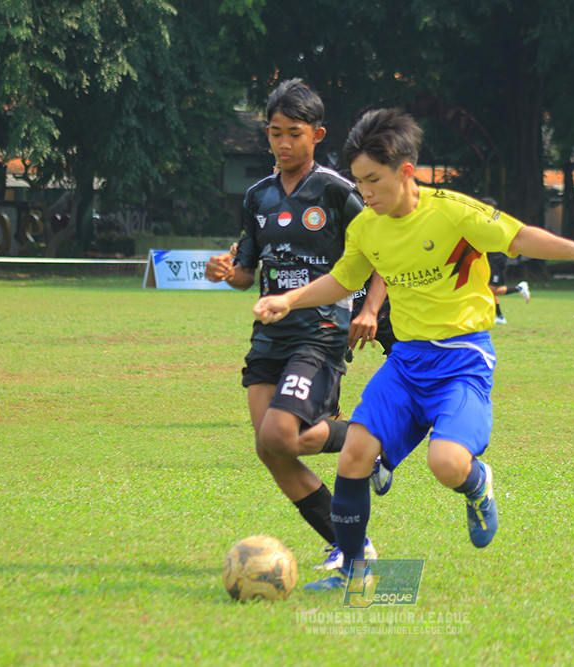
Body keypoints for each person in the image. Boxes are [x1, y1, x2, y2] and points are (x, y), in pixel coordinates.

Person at [253, 109, 574, 589]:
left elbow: (518, 236)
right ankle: (356, 571)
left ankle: (477, 483)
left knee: (446, 464)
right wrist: (288, 299)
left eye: (374, 181)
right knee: (354, 454)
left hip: (462, 360)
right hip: (406, 362)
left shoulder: (452, 211)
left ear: (405, 171)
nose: (365, 194)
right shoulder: (367, 227)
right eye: (359, 182)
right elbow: (343, 279)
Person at [203, 79, 379, 571]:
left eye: (294, 134)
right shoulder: (257, 197)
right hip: (269, 336)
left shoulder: (337, 190)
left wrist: (367, 310)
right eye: (275, 133)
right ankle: (351, 546)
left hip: (320, 332)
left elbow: (380, 253)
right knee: (272, 449)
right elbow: (245, 273)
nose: (283, 144)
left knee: (281, 435)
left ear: (317, 134)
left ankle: (371, 438)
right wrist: (224, 272)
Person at [481, 199, 530, 324]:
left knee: (492, 289)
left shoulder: (496, 222)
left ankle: (519, 288)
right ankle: (499, 316)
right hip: (491, 258)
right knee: (489, 288)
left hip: (497, 259)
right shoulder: (486, 221)